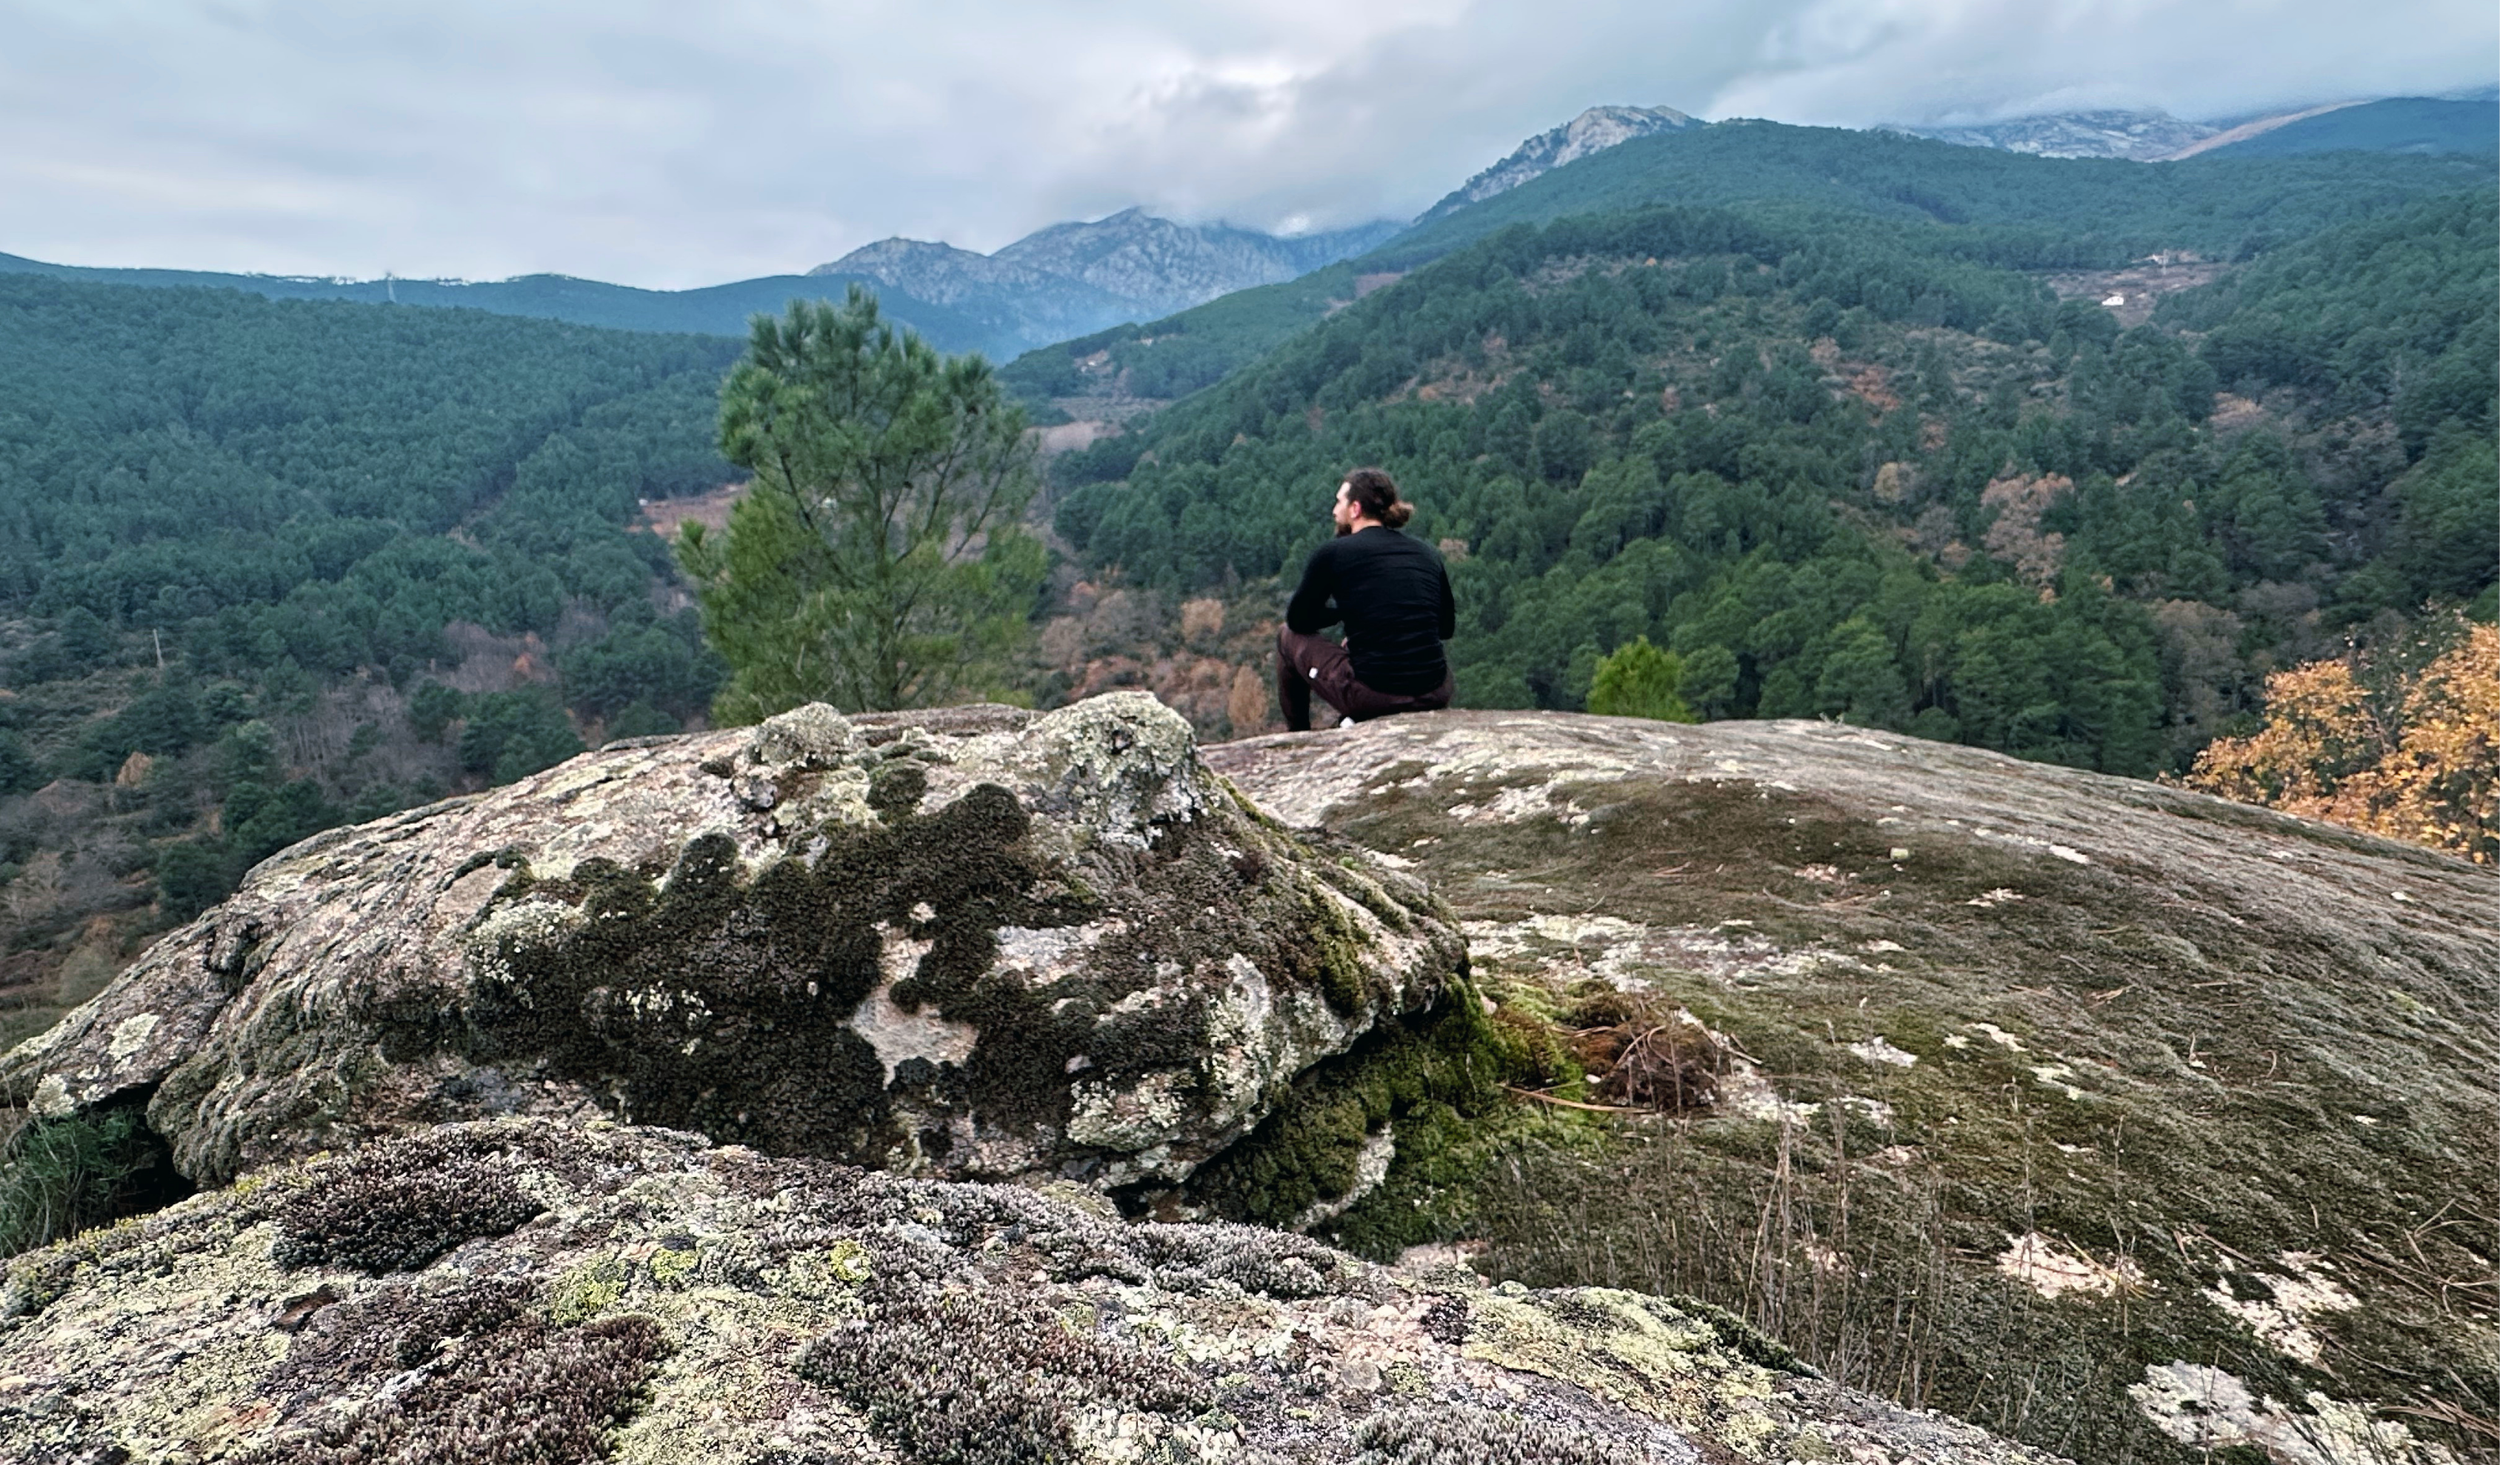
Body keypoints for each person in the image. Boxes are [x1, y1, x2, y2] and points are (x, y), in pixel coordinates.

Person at [1275, 467, 1455, 731]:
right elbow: (1445, 628)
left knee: (1286, 636)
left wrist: (1344, 613)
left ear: (1355, 509)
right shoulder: (1426, 553)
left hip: (1374, 695)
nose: (1334, 510)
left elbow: (1298, 620)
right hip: (1435, 692)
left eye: (1339, 502)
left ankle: (1298, 736)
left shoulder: (1333, 553)